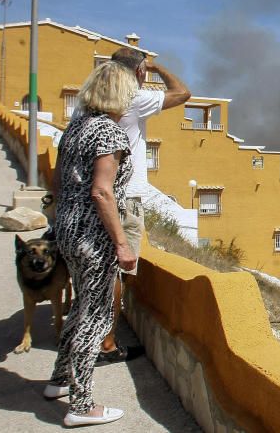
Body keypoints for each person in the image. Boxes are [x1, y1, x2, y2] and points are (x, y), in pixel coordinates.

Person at [44, 61, 138, 426]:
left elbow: (57, 182)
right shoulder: (109, 133)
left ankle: (58, 380)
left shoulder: (76, 128)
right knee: (96, 318)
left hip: (67, 229)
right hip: (93, 235)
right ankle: (82, 406)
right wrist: (122, 244)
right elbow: (102, 192)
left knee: (82, 306)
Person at [96, 47, 189, 362]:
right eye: (143, 71)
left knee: (99, 268)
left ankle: (92, 330)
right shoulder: (135, 99)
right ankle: (107, 342)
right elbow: (183, 93)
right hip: (126, 196)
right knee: (117, 273)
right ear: (138, 72)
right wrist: (157, 67)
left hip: (99, 195)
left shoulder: (93, 103)